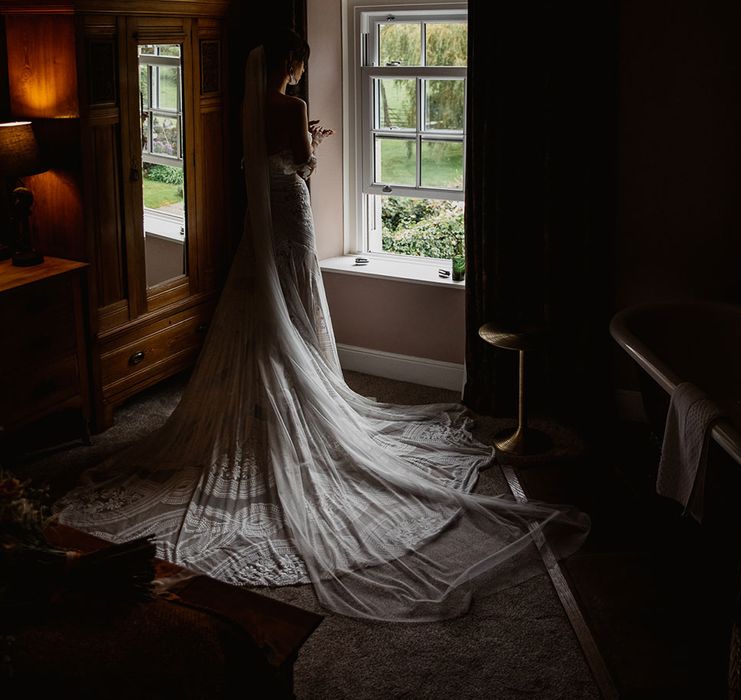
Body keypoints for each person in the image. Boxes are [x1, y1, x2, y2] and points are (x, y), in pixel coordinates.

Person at [55, 30, 589, 622]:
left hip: (266, 211)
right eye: (301, 63)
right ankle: (303, 381)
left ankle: (275, 385)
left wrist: (292, 148)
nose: (302, 73)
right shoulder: (292, 105)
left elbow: (251, 159)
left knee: (268, 296)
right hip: (291, 204)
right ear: (291, 63)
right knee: (299, 285)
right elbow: (302, 167)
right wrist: (310, 143)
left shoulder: (249, 105)